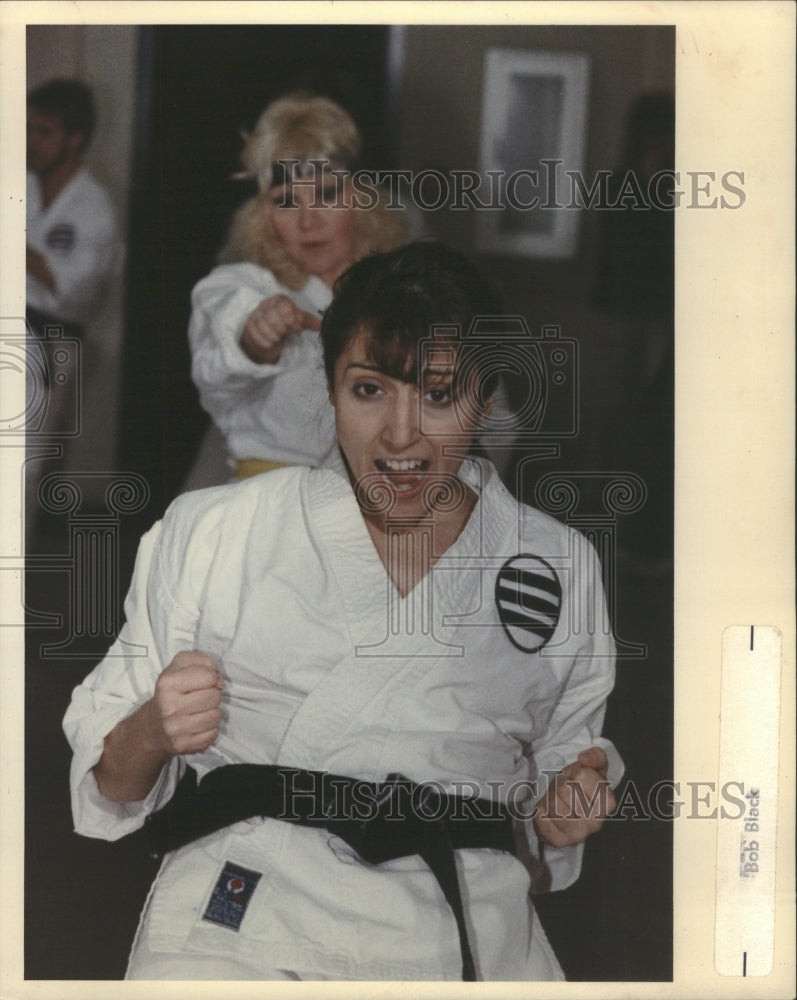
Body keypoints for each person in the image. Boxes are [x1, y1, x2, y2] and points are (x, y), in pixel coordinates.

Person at [64, 242, 622, 982]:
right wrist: (153, 728)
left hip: (458, 925)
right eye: (369, 391)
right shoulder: (215, 531)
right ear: (328, 390)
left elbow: (562, 763)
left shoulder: (554, 564)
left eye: (438, 393)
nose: (399, 434)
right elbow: (112, 787)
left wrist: (566, 798)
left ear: (486, 398)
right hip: (244, 916)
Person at [186, 91, 409, 484]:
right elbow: (217, 358)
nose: (309, 222)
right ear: (261, 214)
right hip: (270, 509)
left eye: (327, 194)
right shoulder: (245, 287)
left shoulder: (398, 293)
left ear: (361, 198)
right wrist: (254, 338)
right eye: (286, 201)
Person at [25, 79, 124, 545]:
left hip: (49, 341)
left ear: (74, 137)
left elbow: (69, 290)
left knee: (20, 468)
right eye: (27, 129)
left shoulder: (95, 209)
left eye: (43, 131)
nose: (31, 142)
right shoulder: (17, 186)